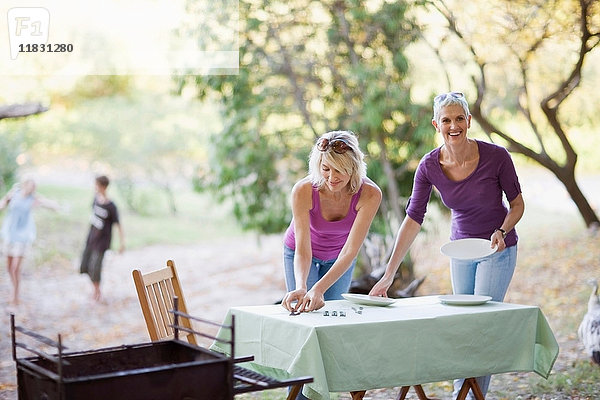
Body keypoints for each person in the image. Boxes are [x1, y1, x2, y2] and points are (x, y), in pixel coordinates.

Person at [369, 92, 525, 399]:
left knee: (481, 324)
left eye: (459, 119)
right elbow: (413, 219)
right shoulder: (429, 166)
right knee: (461, 325)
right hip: (461, 250)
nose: (453, 125)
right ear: (436, 125)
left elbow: (517, 204)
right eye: (446, 120)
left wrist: (503, 231)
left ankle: (468, 396)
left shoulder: (496, 156)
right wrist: (388, 274)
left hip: (497, 248)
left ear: (468, 121)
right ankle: (461, 393)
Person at [281, 130, 382, 315]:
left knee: (333, 313)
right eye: (326, 168)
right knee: (305, 310)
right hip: (301, 251)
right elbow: (303, 249)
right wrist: (302, 286)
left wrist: (319, 289)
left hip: (340, 255)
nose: (331, 177)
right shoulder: (303, 190)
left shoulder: (370, 194)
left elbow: (351, 251)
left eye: (339, 170)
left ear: (353, 167)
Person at [1, 178, 60, 305]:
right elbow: (3, 205)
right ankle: (14, 289)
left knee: (15, 267)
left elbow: (47, 204)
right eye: (31, 186)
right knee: (9, 267)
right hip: (9, 234)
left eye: (34, 187)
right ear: (24, 185)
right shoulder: (14, 194)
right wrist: (5, 200)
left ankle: (15, 295)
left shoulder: (33, 198)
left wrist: (54, 206)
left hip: (23, 237)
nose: (32, 189)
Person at [80, 175, 125, 303]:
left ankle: (97, 292)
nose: (95, 188)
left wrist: (122, 243)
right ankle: (96, 289)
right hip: (91, 239)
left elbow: (118, 225)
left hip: (102, 242)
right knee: (84, 266)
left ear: (103, 186)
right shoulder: (95, 199)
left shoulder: (111, 206)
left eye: (97, 185)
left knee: (96, 267)